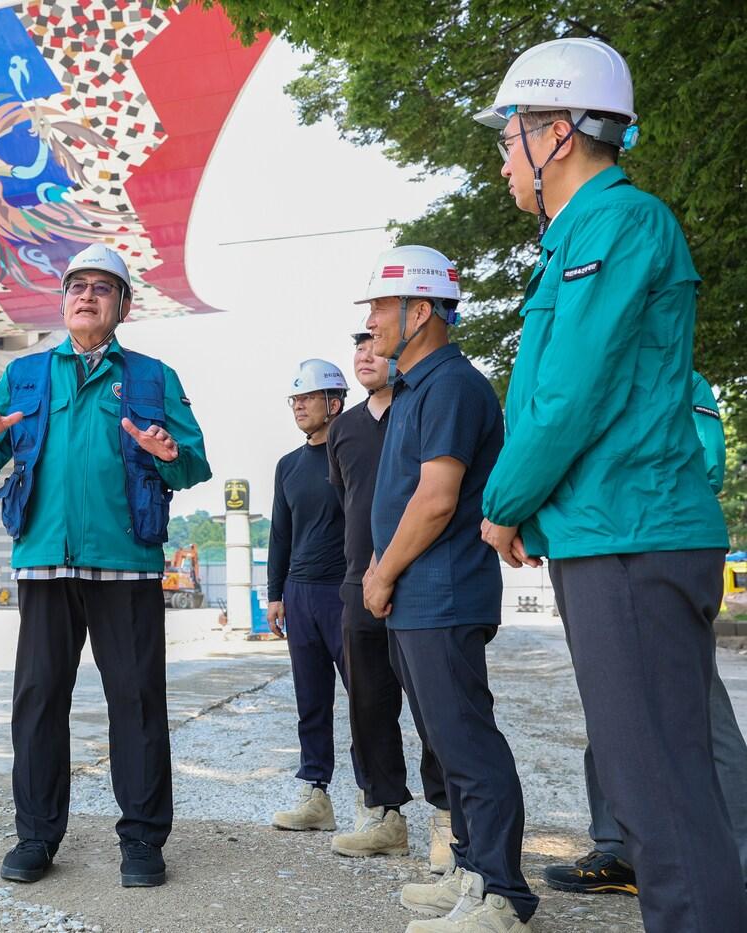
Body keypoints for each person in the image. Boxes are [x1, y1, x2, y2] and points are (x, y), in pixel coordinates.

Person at [473, 37, 745, 931]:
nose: (504, 158)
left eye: (509, 139)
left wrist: (503, 504)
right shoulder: (578, 239)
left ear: (557, 133)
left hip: (633, 532)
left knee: (659, 797)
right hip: (610, 532)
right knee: (655, 786)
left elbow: (566, 396)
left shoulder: (620, 225)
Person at [0, 243, 211, 889]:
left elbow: (193, 464)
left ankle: (144, 840)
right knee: (38, 703)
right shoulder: (27, 375)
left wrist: (169, 450)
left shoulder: (153, 377)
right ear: (63, 300)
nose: (86, 294)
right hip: (44, 562)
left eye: (102, 286)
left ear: (123, 304)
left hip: (126, 562)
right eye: (76, 285)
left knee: (138, 703)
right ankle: (37, 835)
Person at [359, 245, 537, 932]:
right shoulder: (413, 387)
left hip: (441, 592)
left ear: (422, 309)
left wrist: (380, 572)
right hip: (413, 595)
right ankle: (469, 869)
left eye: (380, 305)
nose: (371, 321)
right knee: (442, 738)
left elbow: (436, 500)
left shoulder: (453, 385)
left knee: (466, 741)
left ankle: (501, 892)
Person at [543, 372, 747, 897]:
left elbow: (708, 465)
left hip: (655, 545)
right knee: (608, 703)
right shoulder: (587, 371)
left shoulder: (681, 378)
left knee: (701, 711)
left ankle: (739, 858)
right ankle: (618, 847)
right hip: (595, 546)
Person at [326, 322, 451, 870]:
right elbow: (344, 503)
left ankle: (449, 821)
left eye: (372, 341)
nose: (366, 352)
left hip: (421, 580)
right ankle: (383, 814)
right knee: (369, 704)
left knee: (435, 708)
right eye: (357, 345)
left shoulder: (421, 407)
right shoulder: (344, 429)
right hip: (359, 583)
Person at [266, 359, 357, 835]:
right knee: (311, 700)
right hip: (299, 595)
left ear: (334, 402)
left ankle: (375, 800)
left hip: (345, 592)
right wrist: (274, 593)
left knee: (365, 699)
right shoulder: (288, 465)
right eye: (294, 398)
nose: (299, 405)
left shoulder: (357, 453)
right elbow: (280, 534)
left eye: (309, 397)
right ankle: (315, 792)